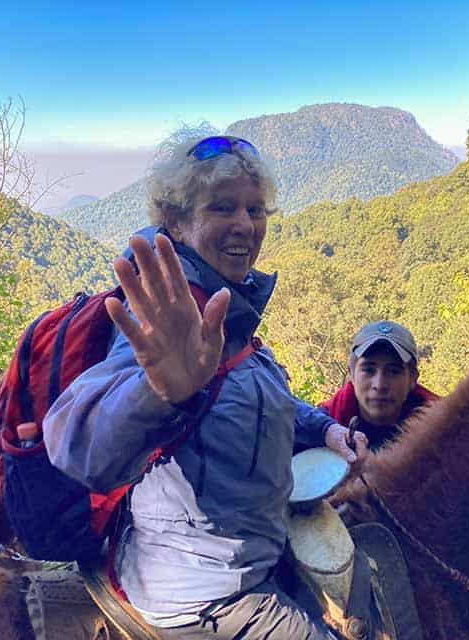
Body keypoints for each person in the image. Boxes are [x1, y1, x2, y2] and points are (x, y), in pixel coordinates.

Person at [42, 135, 367, 639]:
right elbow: (78, 447)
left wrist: (323, 428)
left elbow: (259, 393)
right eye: (222, 207)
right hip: (203, 594)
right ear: (176, 221)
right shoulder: (164, 320)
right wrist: (159, 392)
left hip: (253, 560)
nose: (245, 224)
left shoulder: (226, 312)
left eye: (255, 209)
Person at [320, 320, 438, 451]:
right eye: (369, 370)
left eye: (393, 371)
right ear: (351, 375)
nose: (380, 385)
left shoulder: (442, 427)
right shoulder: (323, 424)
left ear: (412, 379)